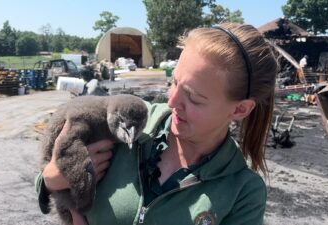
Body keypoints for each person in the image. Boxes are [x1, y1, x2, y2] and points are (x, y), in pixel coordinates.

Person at [35, 22, 278, 225]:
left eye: (193, 97)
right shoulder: (127, 123)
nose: (172, 102)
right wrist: (51, 179)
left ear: (240, 109)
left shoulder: (243, 192)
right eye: (173, 83)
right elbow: (53, 173)